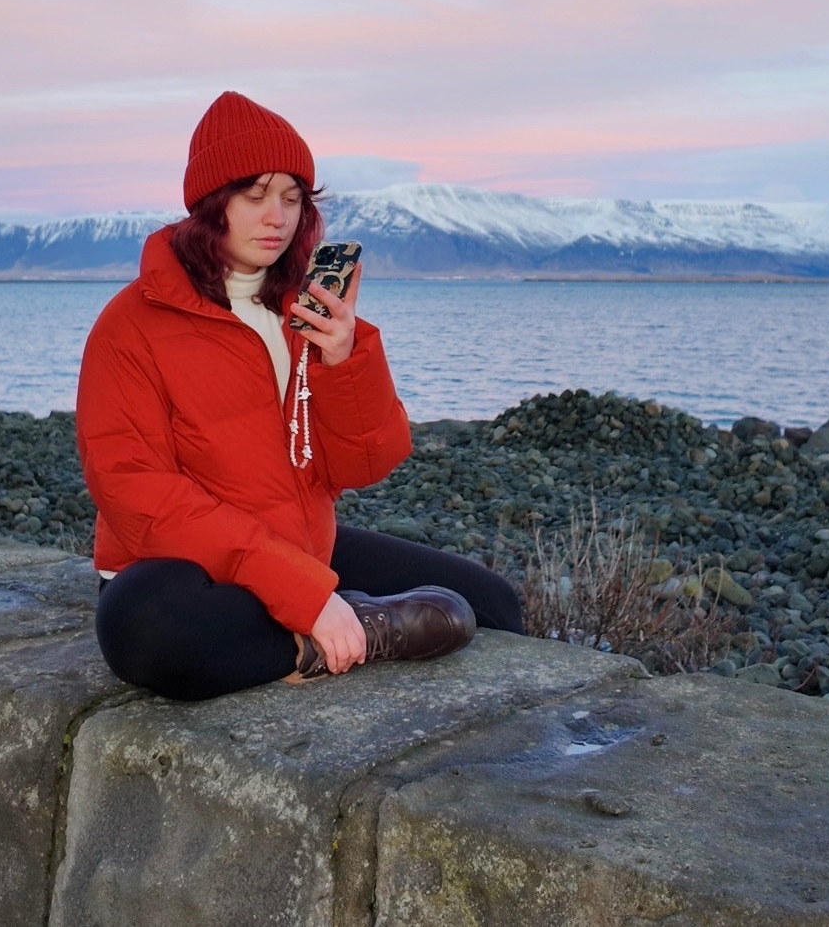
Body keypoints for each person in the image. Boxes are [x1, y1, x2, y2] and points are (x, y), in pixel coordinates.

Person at [77, 91, 524, 700]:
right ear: (211, 203)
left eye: (291, 199)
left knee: (493, 602)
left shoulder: (305, 310)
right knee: (146, 627)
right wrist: (306, 596)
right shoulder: (131, 325)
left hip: (300, 544)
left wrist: (345, 359)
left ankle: (331, 628)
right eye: (255, 195)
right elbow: (137, 493)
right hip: (186, 567)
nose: (277, 217)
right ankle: (352, 630)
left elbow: (365, 464)